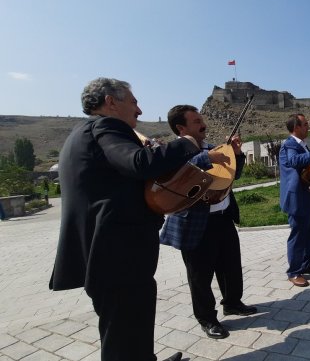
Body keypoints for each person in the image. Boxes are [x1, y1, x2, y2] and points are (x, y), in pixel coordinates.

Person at [49, 78, 200, 361]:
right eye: (133, 102)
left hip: (105, 253)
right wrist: (184, 144)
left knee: (128, 325)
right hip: (118, 253)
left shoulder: (79, 133)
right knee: (122, 332)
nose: (140, 111)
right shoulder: (106, 126)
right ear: (111, 102)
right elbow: (138, 163)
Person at [159, 105, 257, 340]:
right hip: (195, 224)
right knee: (200, 276)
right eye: (196, 121)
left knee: (231, 265)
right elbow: (178, 173)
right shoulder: (172, 150)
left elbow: (234, 174)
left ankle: (232, 302)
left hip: (223, 219)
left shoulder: (212, 147)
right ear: (181, 128)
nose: (203, 124)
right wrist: (206, 158)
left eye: (201, 119)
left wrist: (237, 154)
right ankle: (207, 318)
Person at [279, 114, 310, 287]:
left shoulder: (302, 145)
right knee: (299, 234)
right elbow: (293, 161)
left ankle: (306, 264)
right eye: (305, 124)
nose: (308, 127)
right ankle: (293, 272)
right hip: (297, 199)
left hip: (308, 196)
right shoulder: (289, 144)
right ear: (296, 128)